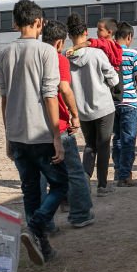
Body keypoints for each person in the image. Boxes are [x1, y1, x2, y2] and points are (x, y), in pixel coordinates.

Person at [0, 0, 69, 266]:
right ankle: (36, 226)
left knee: (30, 190)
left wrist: (7, 136)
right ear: (39, 22)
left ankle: (43, 247)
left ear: (16, 23)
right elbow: (50, 96)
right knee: (61, 184)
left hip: (16, 133)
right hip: (40, 133)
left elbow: (4, 98)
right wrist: (57, 137)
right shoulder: (46, 52)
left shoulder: (5, 53)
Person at [41, 20, 95, 228]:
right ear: (59, 43)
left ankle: (44, 223)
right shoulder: (58, 59)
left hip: (37, 128)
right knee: (74, 171)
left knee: (41, 175)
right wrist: (74, 114)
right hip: (60, 126)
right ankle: (80, 214)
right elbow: (64, 88)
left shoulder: (33, 57)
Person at [66, 13, 118, 197]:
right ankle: (102, 185)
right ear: (86, 32)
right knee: (104, 145)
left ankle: (85, 179)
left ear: (68, 36)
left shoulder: (67, 57)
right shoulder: (98, 53)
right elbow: (113, 79)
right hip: (104, 107)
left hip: (82, 109)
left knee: (90, 145)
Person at [112, 22, 137, 186]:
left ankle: (117, 170)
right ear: (129, 37)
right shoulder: (133, 54)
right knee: (128, 139)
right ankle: (125, 176)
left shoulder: (108, 53)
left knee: (117, 138)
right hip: (129, 102)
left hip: (112, 103)